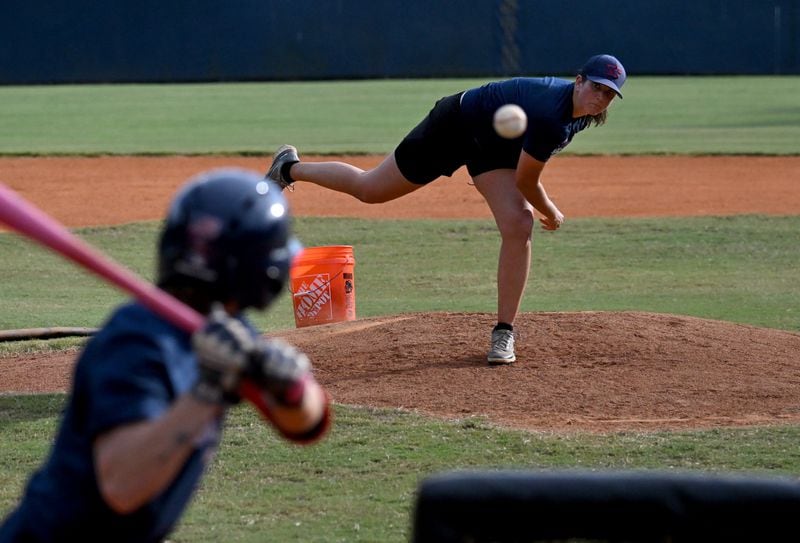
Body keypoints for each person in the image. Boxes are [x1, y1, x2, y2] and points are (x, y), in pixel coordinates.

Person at [0, 169, 329, 542]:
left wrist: (291, 387)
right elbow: (122, 487)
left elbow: (305, 424)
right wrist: (209, 392)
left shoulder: (225, 330)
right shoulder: (136, 342)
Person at [265, 54, 626, 365]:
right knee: (371, 189)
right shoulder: (553, 113)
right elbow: (527, 182)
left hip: (494, 145)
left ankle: (503, 333)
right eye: (596, 87)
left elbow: (522, 173)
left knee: (518, 223)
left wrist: (532, 206)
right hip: (454, 125)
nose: (600, 97)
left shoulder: (580, 114)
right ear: (578, 81)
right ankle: (288, 168)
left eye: (609, 93)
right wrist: (551, 211)